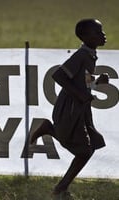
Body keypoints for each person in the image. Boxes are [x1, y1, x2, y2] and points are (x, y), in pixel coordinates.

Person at [30, 19, 109, 199]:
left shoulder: (90, 54)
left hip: (81, 109)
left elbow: (82, 82)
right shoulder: (81, 55)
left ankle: (61, 187)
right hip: (71, 108)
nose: (102, 35)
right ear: (84, 36)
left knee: (90, 146)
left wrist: (97, 83)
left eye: (102, 31)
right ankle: (60, 188)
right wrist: (81, 96)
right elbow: (58, 75)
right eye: (97, 32)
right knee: (84, 151)